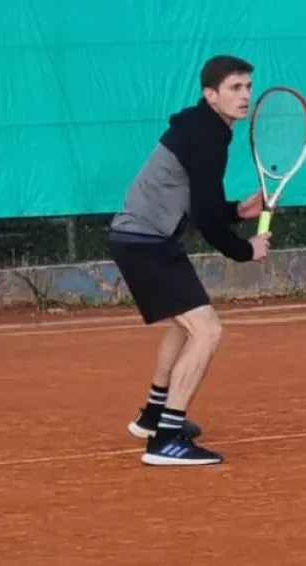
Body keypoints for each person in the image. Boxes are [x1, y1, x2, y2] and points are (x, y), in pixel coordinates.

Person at [107, 55, 271, 467]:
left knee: (184, 327)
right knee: (207, 330)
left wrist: (234, 211)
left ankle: (153, 416)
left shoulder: (204, 128)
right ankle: (166, 440)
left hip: (141, 238)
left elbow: (203, 203)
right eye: (235, 88)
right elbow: (206, 218)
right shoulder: (207, 135)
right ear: (210, 95)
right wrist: (244, 250)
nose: (245, 95)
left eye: (248, 87)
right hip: (146, 241)